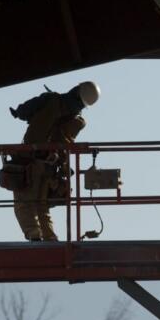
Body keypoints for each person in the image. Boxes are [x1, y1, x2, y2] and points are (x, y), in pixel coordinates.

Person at [9, 81, 100, 241]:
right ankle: (50, 238)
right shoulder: (78, 121)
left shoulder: (52, 101)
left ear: (76, 88)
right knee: (41, 206)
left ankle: (34, 234)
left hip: (31, 158)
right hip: (52, 165)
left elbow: (24, 111)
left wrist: (20, 113)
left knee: (24, 204)